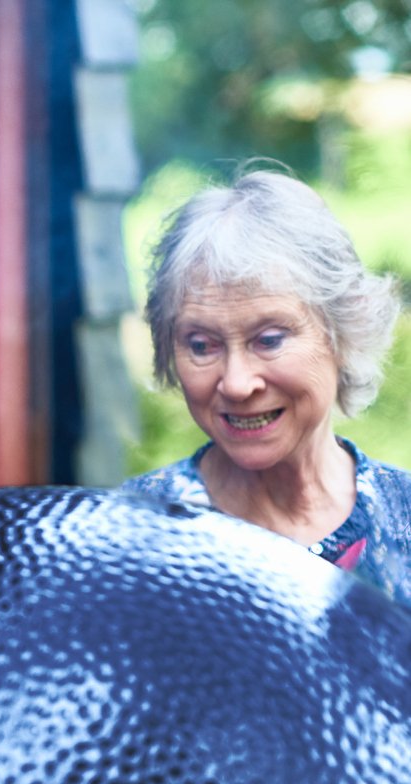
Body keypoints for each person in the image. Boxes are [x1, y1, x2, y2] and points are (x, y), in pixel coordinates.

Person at [131, 169, 411, 597]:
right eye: (202, 345)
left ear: (343, 331)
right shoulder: (128, 539)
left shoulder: (404, 520)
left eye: (269, 340)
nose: (237, 384)